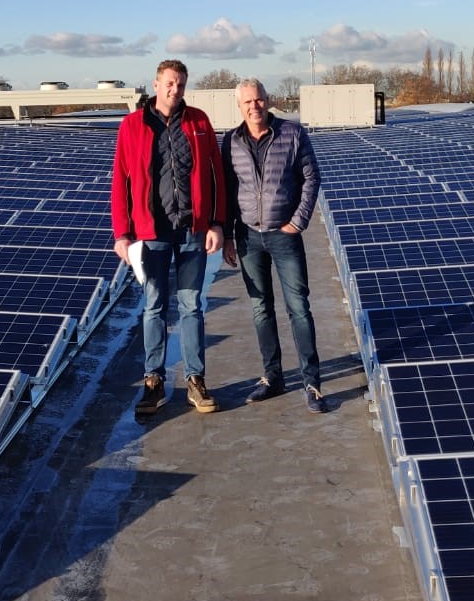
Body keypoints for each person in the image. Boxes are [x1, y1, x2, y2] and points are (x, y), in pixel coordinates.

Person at [111, 59, 227, 417]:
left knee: (192, 305)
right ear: (156, 84)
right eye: (169, 83)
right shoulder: (132, 125)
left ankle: (195, 379)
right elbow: (120, 181)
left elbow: (216, 174)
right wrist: (122, 234)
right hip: (151, 232)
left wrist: (218, 222)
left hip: (192, 229)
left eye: (180, 84)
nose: (175, 90)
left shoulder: (199, 121)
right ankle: (154, 380)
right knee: (154, 306)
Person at [220, 78, 326, 413]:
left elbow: (311, 177)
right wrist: (226, 234)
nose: (254, 106)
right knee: (260, 309)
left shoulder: (292, 134)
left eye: (259, 100)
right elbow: (225, 190)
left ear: (268, 101)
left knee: (298, 308)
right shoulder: (231, 142)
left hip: (285, 235)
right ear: (240, 106)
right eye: (247, 102)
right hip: (248, 235)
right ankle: (273, 377)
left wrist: (299, 221)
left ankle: (312, 383)